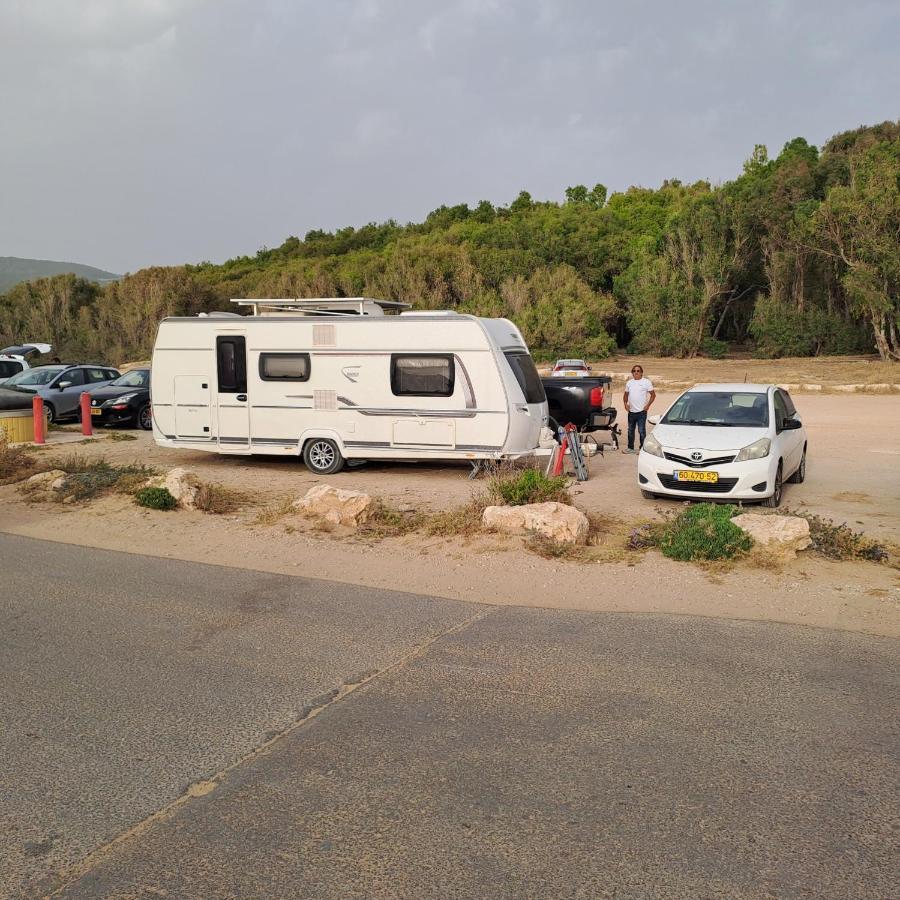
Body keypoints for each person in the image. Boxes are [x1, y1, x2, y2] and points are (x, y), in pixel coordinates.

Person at [622, 364, 656, 453]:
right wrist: (625, 404)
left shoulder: (646, 382)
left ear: (641, 373)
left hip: (642, 412)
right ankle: (630, 448)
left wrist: (648, 405)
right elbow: (625, 395)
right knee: (630, 431)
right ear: (632, 373)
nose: (636, 372)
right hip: (631, 412)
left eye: (638, 371)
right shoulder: (629, 383)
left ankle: (642, 449)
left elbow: (653, 395)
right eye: (634, 371)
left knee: (641, 431)